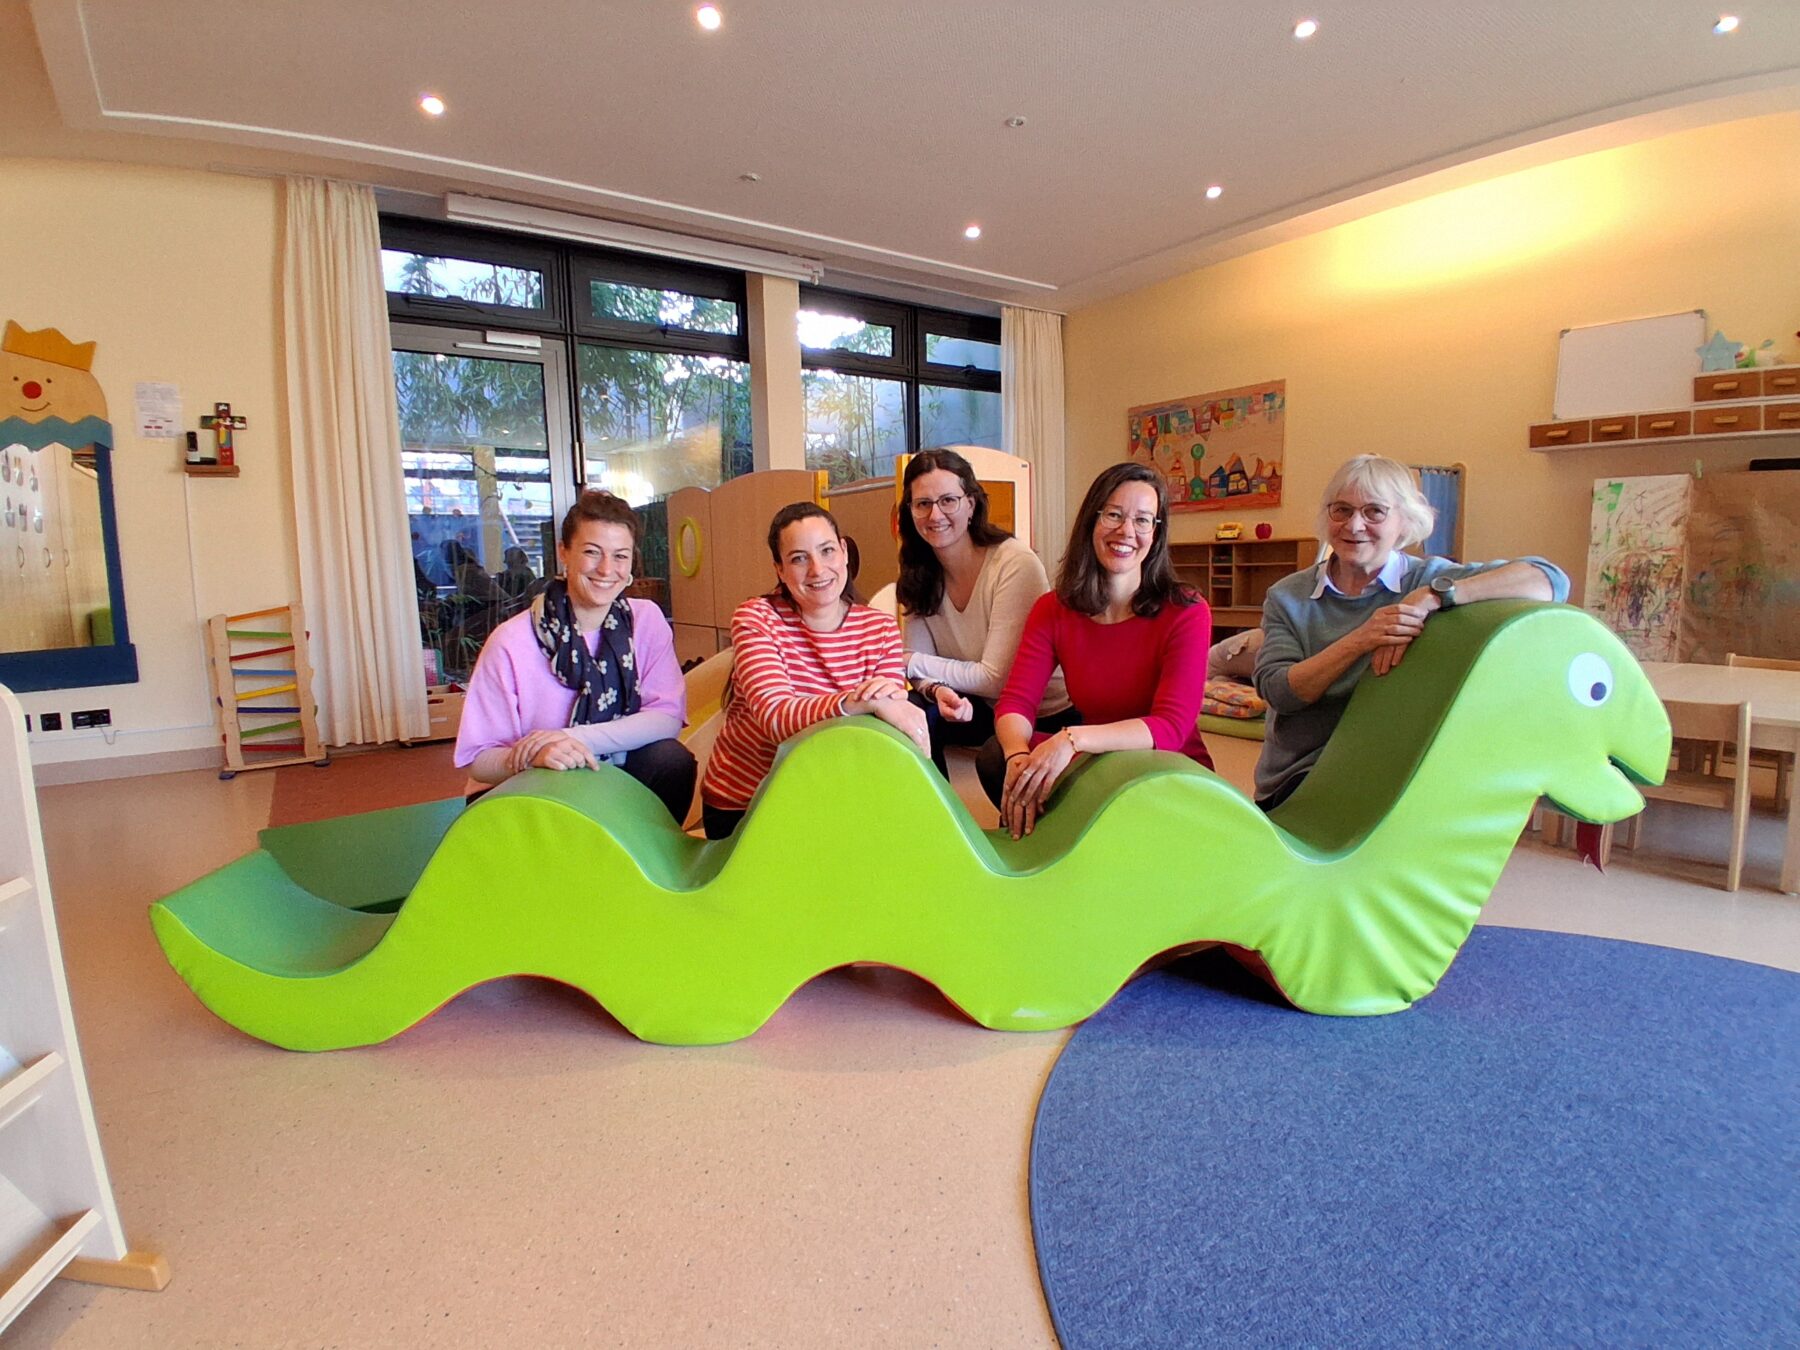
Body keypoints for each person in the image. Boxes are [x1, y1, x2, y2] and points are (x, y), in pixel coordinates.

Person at [1252, 454, 1570, 811]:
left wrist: (1436, 595)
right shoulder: (1287, 596)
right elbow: (1279, 692)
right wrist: (1362, 639)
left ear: (1404, 521)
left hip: (1399, 769)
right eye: (1341, 510)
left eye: (1374, 511)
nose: (1354, 525)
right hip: (1305, 774)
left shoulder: (1427, 578)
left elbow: (1549, 580)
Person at [985, 462, 1213, 840]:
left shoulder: (1186, 610)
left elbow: (1171, 727)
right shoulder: (1052, 609)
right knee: (998, 758)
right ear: (1092, 520)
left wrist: (1072, 739)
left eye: (1143, 520)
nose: (1126, 531)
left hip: (1167, 769)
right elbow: (1016, 702)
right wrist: (1017, 757)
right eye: (1114, 515)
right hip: (1099, 762)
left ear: (1156, 534)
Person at [454, 491, 696, 823]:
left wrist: (569, 738)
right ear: (564, 553)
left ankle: (640, 855)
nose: (606, 569)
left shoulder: (645, 620)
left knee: (670, 761)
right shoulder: (511, 641)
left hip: (605, 770)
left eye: (620, 556)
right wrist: (536, 755)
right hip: (524, 785)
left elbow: (666, 718)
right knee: (565, 777)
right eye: (592, 552)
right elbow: (479, 760)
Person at [699, 501, 928, 840]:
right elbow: (777, 719)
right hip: (748, 804)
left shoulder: (879, 628)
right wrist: (857, 702)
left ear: (844, 553)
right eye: (798, 558)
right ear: (779, 569)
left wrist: (882, 706)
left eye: (827, 551)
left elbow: (888, 718)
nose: (817, 570)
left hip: (834, 798)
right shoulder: (757, 618)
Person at [896, 448, 1078, 777]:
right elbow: (917, 668)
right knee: (908, 713)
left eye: (948, 500)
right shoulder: (917, 573)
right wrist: (936, 689)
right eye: (923, 504)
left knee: (991, 752)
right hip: (979, 705)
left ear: (971, 504)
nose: (935, 515)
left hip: (1044, 713)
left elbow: (995, 680)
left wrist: (910, 661)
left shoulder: (1014, 563)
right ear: (909, 511)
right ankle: (936, 807)